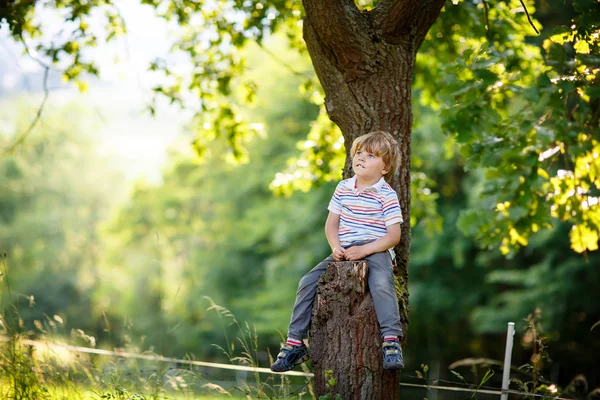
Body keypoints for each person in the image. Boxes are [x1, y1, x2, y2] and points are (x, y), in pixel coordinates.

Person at [270, 130, 405, 373]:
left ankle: (391, 341)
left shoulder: (387, 195)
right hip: (345, 250)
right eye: (359, 153)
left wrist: (364, 249)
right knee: (307, 281)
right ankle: (294, 342)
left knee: (381, 284)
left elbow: (393, 237)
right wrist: (336, 247)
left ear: (385, 168)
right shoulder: (343, 188)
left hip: (376, 249)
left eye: (372, 156)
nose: (362, 158)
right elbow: (331, 225)